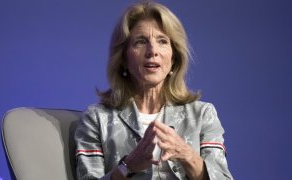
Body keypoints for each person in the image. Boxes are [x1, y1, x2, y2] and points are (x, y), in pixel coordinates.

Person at [75, 1, 233, 180]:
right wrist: (128, 166)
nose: (152, 51)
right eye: (141, 42)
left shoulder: (203, 115)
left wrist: (187, 155)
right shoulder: (97, 118)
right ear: (123, 59)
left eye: (162, 41)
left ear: (174, 59)